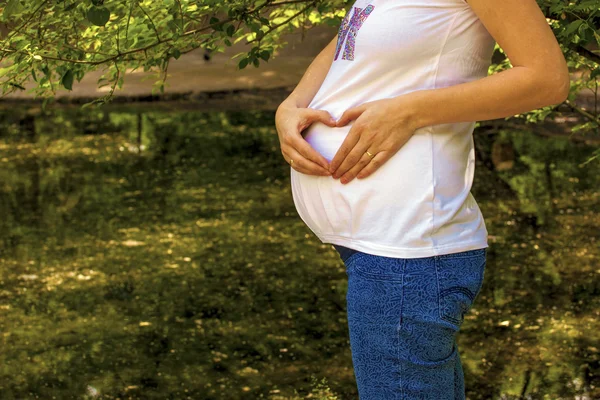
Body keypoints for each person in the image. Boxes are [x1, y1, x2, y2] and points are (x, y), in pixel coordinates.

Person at [274, 0, 570, 398]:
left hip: (410, 255)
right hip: (381, 250)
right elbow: (350, 37)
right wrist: (293, 104)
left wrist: (409, 111)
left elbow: (546, 78)